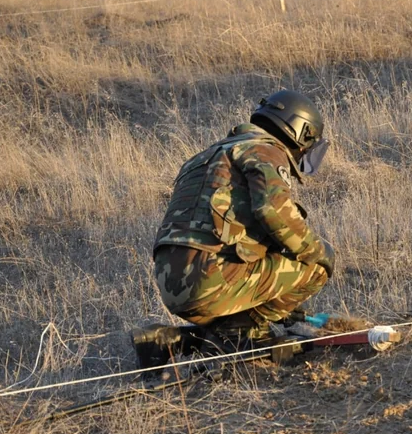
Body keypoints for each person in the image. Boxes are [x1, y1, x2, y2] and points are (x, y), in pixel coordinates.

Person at [132, 90, 335, 368]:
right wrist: (314, 251)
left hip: (171, 283)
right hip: (212, 278)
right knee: (321, 262)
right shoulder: (264, 149)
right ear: (301, 133)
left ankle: (172, 339)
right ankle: (240, 333)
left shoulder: (204, 158)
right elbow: (273, 211)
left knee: (264, 262)